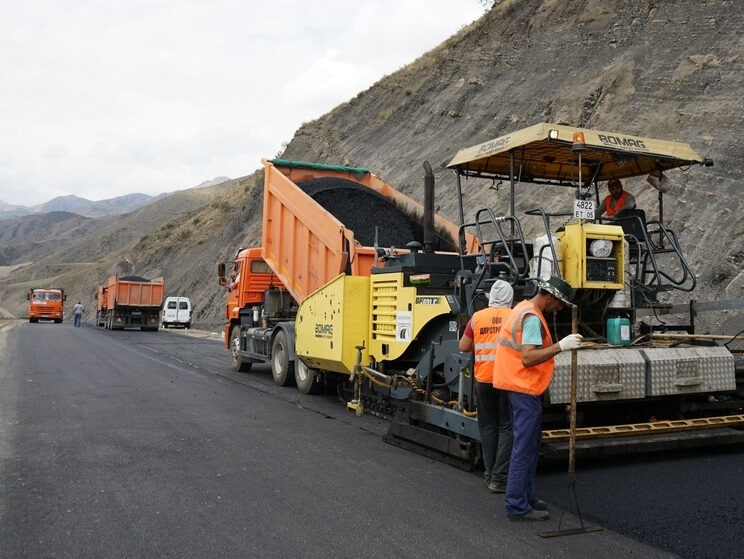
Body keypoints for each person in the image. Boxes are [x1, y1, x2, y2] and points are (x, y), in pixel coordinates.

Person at [492, 276, 583, 522]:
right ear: (550, 296)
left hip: (519, 388)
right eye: (560, 303)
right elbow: (528, 358)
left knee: (530, 447)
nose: (560, 308)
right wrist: (561, 347)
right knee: (524, 449)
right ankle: (517, 506)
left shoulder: (522, 308)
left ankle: (526, 498)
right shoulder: (531, 317)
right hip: (524, 389)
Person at [458, 280, 514, 494]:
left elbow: (463, 346)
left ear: (491, 298)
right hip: (506, 379)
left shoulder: (477, 317)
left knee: (488, 426)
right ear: (509, 298)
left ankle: (489, 474)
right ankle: (499, 478)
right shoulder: (515, 315)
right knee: (507, 427)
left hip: (483, 380)